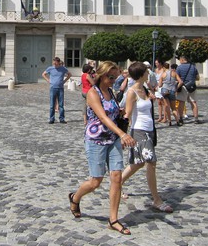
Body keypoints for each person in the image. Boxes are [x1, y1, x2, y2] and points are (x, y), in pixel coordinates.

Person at [68, 61, 136, 235]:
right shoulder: (93, 93)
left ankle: (113, 219)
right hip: (96, 140)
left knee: (116, 177)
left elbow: (112, 114)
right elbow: (104, 118)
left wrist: (122, 112)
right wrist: (123, 134)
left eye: (115, 77)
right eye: (111, 77)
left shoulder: (110, 92)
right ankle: (75, 198)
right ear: (102, 75)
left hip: (112, 139)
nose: (114, 80)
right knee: (95, 182)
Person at [121, 61, 173, 213]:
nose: (148, 73)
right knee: (151, 162)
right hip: (139, 131)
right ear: (141, 74)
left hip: (149, 130)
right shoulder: (132, 92)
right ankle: (156, 200)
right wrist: (122, 134)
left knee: (138, 164)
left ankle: (117, 182)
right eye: (146, 72)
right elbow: (127, 114)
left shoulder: (144, 88)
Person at [42, 57, 71, 124]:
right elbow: (43, 74)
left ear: (58, 62)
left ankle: (62, 118)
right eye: (53, 62)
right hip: (53, 88)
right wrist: (48, 80)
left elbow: (69, 74)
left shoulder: (63, 69)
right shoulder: (50, 68)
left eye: (55, 63)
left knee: (61, 104)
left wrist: (64, 81)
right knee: (52, 105)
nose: (54, 64)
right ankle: (52, 119)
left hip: (60, 88)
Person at [176, 55, 200, 124]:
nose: (180, 61)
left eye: (180, 60)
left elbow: (177, 78)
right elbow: (197, 77)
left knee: (181, 102)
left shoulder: (179, 68)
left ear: (182, 60)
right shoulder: (193, 67)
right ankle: (196, 118)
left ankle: (181, 118)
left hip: (183, 86)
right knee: (194, 102)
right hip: (192, 87)